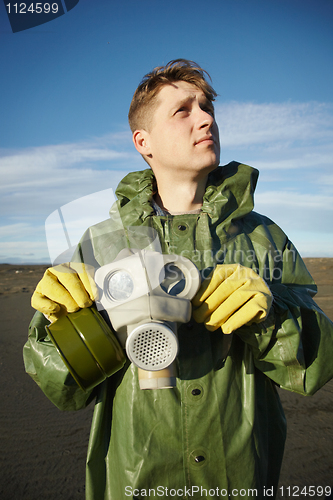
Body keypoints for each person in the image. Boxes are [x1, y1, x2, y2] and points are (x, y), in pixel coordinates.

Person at [24, 59, 333, 500]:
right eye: (183, 110)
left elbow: (316, 367)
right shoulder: (99, 244)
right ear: (143, 142)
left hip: (239, 479)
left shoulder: (264, 237)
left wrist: (273, 313)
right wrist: (58, 328)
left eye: (207, 107)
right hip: (138, 479)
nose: (206, 118)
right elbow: (62, 388)